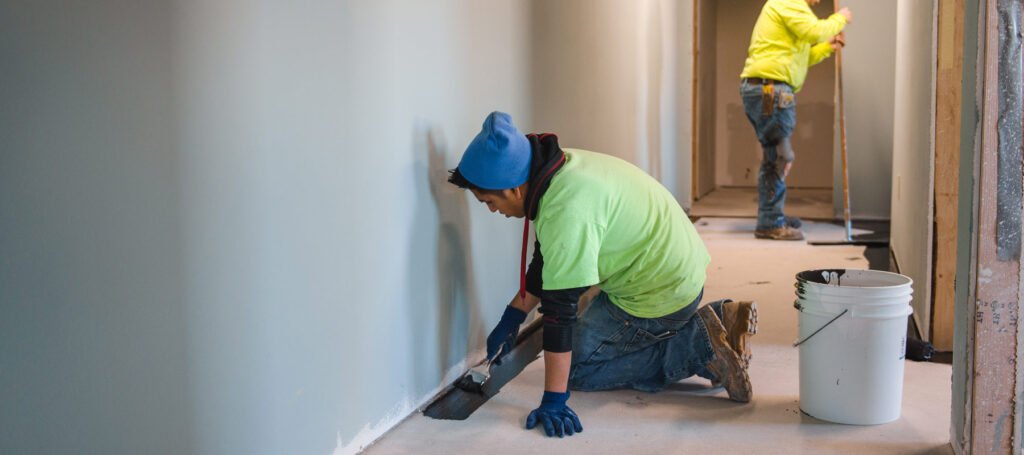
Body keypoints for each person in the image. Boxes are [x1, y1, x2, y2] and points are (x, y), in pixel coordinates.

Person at [447, 111, 757, 438]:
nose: (492, 210)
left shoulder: (566, 208)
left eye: (488, 201)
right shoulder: (558, 171)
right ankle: (722, 317)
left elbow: (559, 312)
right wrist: (514, 315)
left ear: (512, 189)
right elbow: (547, 259)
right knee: (580, 329)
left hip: (660, 294)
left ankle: (698, 346)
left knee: (577, 368)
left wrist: (554, 398)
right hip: (673, 272)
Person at [739, 0, 852, 240]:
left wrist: (827, 47)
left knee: (774, 157)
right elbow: (814, 31)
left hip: (767, 89)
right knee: (780, 158)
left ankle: (772, 215)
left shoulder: (788, 6)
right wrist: (840, 18)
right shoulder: (789, 2)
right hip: (771, 91)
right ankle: (770, 223)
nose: (818, 1)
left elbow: (801, 57)